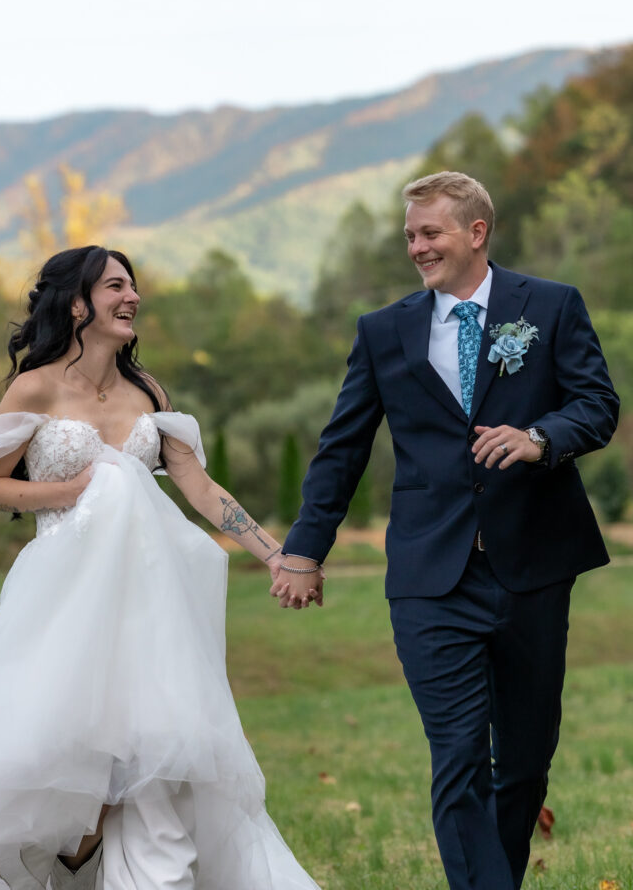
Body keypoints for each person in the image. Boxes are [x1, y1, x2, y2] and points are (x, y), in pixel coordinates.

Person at [0, 245, 320, 890]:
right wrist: (74, 489)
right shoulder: (36, 386)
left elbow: (201, 490)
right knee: (56, 742)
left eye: (132, 284)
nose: (132, 295)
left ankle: (147, 868)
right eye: (115, 285)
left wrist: (280, 555)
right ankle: (67, 852)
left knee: (151, 747)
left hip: (147, 599)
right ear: (78, 303)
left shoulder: (148, 392)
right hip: (63, 594)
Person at [271, 171, 619, 890]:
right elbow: (343, 447)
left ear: (476, 232)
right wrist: (304, 547)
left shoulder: (549, 307)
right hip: (431, 574)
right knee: (458, 753)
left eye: (429, 232)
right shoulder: (383, 330)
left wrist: (539, 437)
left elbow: (597, 404)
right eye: (409, 235)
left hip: (532, 566)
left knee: (523, 762)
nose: (416, 247)